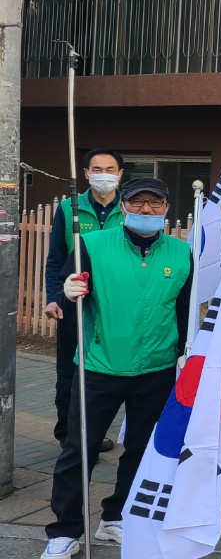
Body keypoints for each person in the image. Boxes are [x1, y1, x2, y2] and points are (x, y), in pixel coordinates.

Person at [42, 177, 191, 559]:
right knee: (80, 450)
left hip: (156, 370)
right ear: (123, 206)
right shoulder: (91, 245)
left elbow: (184, 309)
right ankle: (66, 530)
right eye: (138, 202)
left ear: (166, 209)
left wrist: (186, 352)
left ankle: (117, 517)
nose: (146, 210)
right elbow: (65, 292)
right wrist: (65, 294)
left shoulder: (181, 252)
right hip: (99, 365)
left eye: (155, 204)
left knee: (141, 450)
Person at [43, 149, 126, 452]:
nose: (103, 174)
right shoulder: (69, 208)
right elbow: (55, 261)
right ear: (86, 173)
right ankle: (68, 435)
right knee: (69, 373)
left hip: (115, 308)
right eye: (96, 168)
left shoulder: (129, 210)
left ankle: (92, 432)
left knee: (104, 375)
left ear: (120, 174)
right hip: (75, 304)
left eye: (110, 168)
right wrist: (54, 299)